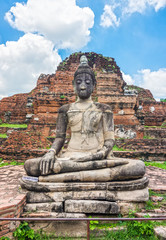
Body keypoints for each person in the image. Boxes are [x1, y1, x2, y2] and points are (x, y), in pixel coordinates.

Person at [24, 56, 145, 182]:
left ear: (94, 85)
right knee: (30, 166)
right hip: (70, 157)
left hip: (97, 157)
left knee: (138, 167)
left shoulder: (104, 109)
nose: (82, 86)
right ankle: (90, 177)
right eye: (78, 82)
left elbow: (109, 140)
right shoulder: (65, 109)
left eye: (87, 83)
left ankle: (60, 178)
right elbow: (60, 138)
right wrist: (51, 152)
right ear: (73, 85)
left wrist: (101, 154)